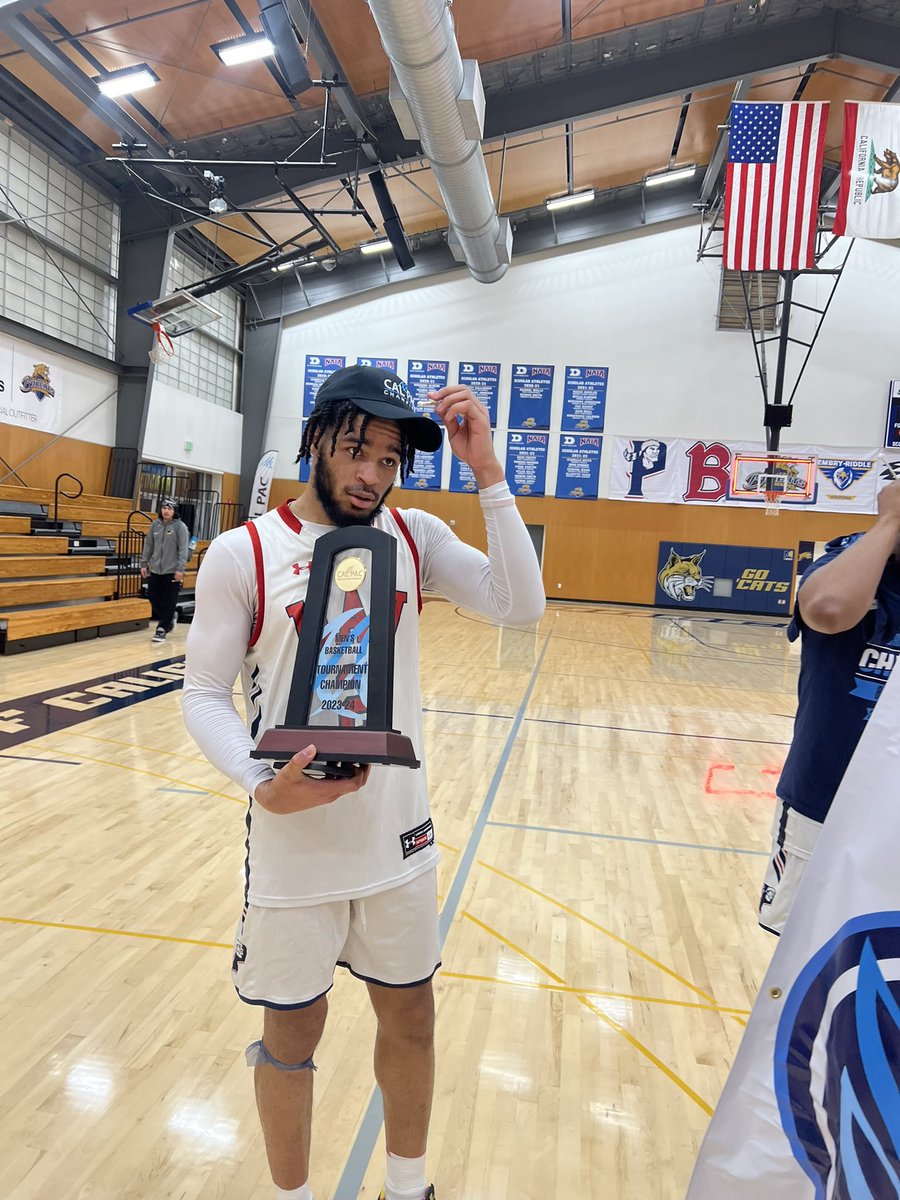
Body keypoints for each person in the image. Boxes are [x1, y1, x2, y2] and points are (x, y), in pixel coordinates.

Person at [182, 364, 545, 1200]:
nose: (372, 476)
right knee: (292, 1032)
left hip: (398, 835)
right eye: (357, 453)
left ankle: (408, 1187)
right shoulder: (246, 552)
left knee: (411, 1014)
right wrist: (254, 778)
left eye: (389, 460)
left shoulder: (414, 536)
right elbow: (203, 694)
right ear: (316, 441)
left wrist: (488, 472)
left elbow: (519, 606)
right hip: (294, 842)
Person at [758, 479, 900, 935]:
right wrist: (890, 522)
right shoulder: (848, 562)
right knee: (805, 960)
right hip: (825, 805)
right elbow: (829, 608)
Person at [140, 499, 189, 645]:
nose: (166, 511)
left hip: (172, 571)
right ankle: (169, 617)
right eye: (164, 508)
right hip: (155, 569)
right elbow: (148, 545)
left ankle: (162, 629)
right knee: (154, 598)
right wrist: (144, 563)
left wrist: (180, 568)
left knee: (169, 600)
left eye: (169, 508)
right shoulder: (155, 525)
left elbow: (183, 549)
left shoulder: (180, 527)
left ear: (174, 511)